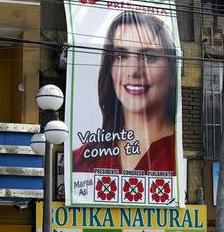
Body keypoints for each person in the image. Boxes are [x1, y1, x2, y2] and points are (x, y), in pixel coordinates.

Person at [73, 11, 178, 175]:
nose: (133, 71)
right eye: (121, 55)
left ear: (173, 72)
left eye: (148, 56)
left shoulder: (177, 154)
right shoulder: (82, 159)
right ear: (110, 67)